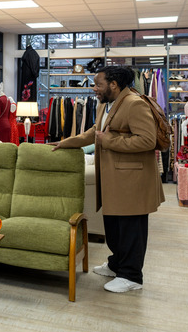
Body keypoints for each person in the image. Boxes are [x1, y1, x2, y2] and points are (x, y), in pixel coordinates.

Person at [51, 66, 165, 293]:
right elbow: (95, 132)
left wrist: (109, 141)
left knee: (131, 230)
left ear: (114, 84)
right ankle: (116, 265)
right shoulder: (106, 104)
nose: (94, 88)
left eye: (98, 84)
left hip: (133, 180)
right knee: (114, 227)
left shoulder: (135, 104)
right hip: (115, 180)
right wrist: (67, 142)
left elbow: (147, 141)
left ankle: (132, 276)